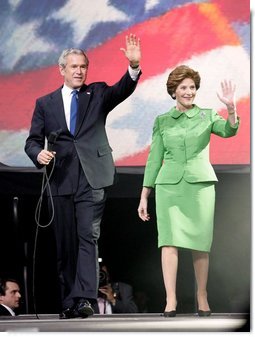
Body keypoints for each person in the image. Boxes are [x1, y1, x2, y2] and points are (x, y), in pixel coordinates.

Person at [25, 33, 142, 319]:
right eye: (74, 66)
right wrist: (38, 154)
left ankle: (85, 299)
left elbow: (122, 89)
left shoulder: (97, 93)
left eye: (83, 67)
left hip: (93, 179)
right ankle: (69, 300)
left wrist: (134, 66)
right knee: (66, 244)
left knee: (88, 238)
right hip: (61, 179)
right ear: (62, 70)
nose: (79, 71)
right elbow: (32, 140)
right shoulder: (45, 103)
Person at [137, 65, 239, 317]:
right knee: (168, 242)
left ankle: (201, 295)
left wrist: (231, 108)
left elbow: (229, 131)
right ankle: (170, 299)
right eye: (183, 87)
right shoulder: (162, 121)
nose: (189, 91)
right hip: (169, 187)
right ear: (174, 91)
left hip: (199, 186)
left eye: (192, 87)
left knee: (200, 242)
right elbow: (154, 158)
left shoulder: (207, 115)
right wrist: (144, 194)